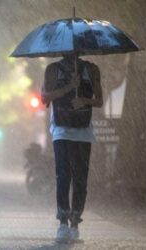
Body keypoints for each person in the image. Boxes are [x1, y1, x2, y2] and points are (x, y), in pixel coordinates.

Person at [41, 53, 103, 243]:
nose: (72, 51)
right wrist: (69, 87)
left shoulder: (91, 69)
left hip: (83, 131)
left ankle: (75, 222)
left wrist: (84, 100)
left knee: (80, 177)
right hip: (61, 130)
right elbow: (44, 98)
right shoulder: (53, 70)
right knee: (63, 175)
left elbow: (99, 101)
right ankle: (62, 222)